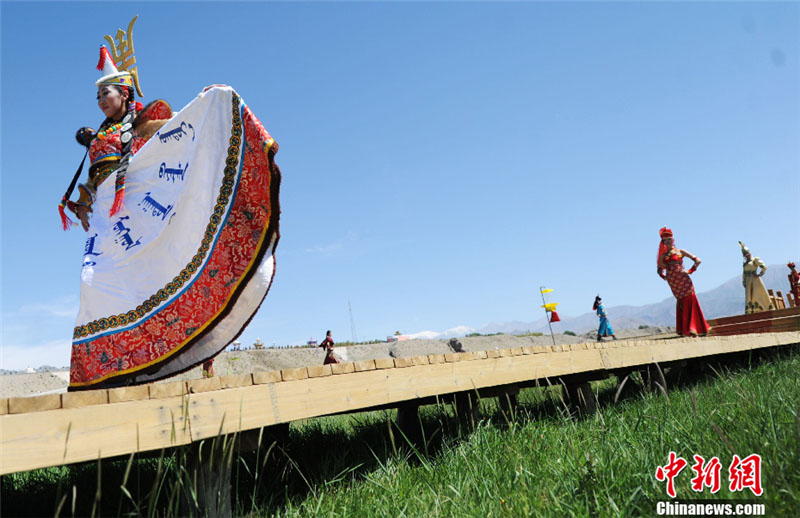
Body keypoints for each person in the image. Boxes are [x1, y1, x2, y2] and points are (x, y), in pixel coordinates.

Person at [63, 18, 282, 390]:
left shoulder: (141, 126)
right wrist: (82, 202)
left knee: (151, 266)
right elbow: (96, 179)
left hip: (138, 208)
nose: (101, 102)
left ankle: (144, 360)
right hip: (106, 222)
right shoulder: (100, 135)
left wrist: (210, 105)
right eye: (97, 97)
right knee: (95, 282)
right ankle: (111, 366)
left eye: (107, 94)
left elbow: (172, 138)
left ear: (125, 95)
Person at [657, 227, 709, 336]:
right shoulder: (663, 256)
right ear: (663, 243)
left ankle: (694, 328)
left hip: (684, 280)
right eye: (665, 240)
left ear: (673, 240)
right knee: (681, 301)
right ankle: (686, 329)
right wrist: (666, 278)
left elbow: (698, 260)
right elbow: (659, 270)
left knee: (690, 298)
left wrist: (690, 271)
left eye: (669, 239)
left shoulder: (681, 251)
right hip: (674, 284)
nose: (667, 242)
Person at [739, 242, 773, 314]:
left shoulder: (754, 260)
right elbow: (744, 273)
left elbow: (764, 267)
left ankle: (761, 310)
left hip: (755, 281)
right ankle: (751, 312)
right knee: (749, 297)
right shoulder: (745, 264)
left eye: (747, 254)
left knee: (756, 295)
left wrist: (760, 274)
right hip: (748, 282)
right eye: (745, 255)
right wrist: (744, 282)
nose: (747, 255)